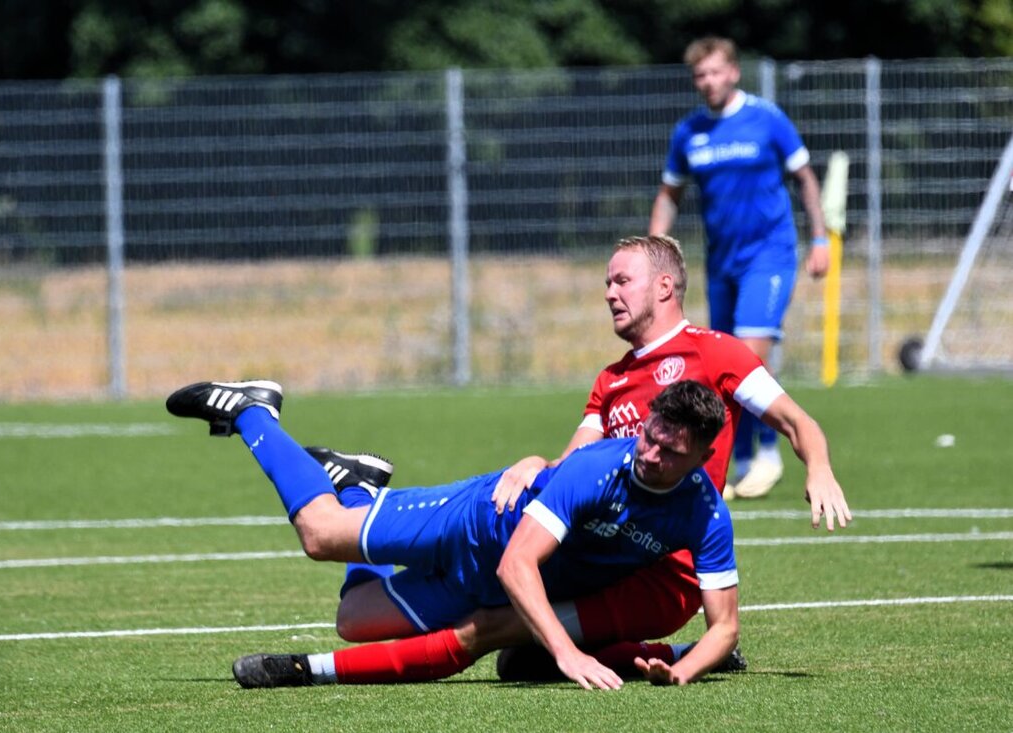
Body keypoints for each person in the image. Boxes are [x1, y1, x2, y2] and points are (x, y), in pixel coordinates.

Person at [288, 234, 848, 686]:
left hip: (669, 571)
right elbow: (576, 462)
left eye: (621, 280)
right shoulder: (611, 379)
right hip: (601, 555)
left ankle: (308, 672)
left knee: (488, 629)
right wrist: (535, 462)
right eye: (606, 282)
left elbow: (797, 421)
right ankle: (597, 651)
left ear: (665, 286)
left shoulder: (716, 351)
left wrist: (817, 466)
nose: (609, 292)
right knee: (402, 629)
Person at [166, 377, 737, 690]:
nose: (651, 455)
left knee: (353, 620)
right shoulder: (599, 469)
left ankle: (361, 484)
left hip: (490, 586)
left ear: (703, 458)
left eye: (670, 452)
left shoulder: (704, 514)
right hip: (472, 524)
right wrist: (565, 653)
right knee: (320, 533)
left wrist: (681, 672)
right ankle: (252, 409)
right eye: (651, 437)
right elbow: (519, 564)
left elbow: (725, 627)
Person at [649, 36, 830, 499]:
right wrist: (653, 253)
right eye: (700, 75)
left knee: (749, 354)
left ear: (734, 72)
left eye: (715, 72)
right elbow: (670, 194)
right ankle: (738, 459)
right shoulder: (689, 132)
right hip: (721, 263)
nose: (708, 82)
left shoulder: (767, 119)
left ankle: (769, 451)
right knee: (722, 365)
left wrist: (819, 238)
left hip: (769, 256)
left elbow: (805, 179)